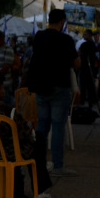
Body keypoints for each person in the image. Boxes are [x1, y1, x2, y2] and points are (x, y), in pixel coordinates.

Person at [0, 71, 53, 198]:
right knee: (38, 139)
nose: (4, 91)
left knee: (34, 140)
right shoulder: (8, 111)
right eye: (2, 88)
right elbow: (25, 133)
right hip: (11, 152)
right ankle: (40, 190)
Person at [27, 9, 80, 177]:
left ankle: (39, 162)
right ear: (62, 21)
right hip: (59, 86)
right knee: (58, 126)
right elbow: (76, 63)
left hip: (41, 86)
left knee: (42, 125)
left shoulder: (39, 37)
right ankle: (58, 165)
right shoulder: (66, 40)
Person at [77, 29, 98, 108]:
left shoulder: (85, 45)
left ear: (89, 35)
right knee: (90, 85)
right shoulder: (93, 44)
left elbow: (79, 53)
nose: (83, 36)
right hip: (90, 68)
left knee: (83, 85)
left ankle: (82, 100)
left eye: (85, 34)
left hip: (84, 68)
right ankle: (91, 100)